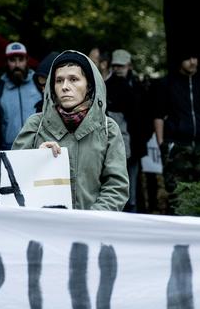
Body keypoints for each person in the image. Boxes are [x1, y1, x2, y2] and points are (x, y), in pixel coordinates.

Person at [13, 50, 129, 211]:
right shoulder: (35, 125)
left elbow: (116, 187)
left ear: (89, 85)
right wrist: (36, 158)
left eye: (74, 79)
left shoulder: (108, 129)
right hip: (43, 228)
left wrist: (90, 220)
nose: (65, 87)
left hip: (91, 230)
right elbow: (14, 178)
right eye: (59, 80)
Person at [153, 53, 200, 207]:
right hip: (178, 145)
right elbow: (158, 114)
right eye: (188, 58)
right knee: (177, 195)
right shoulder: (167, 83)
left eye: (195, 58)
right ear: (179, 61)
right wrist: (162, 143)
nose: (193, 62)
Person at [106, 49, 149, 213]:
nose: (117, 68)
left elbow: (146, 115)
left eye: (121, 65)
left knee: (133, 192)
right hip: (117, 146)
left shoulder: (138, 85)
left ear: (129, 66)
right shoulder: (108, 86)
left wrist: (143, 137)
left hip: (135, 145)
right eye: (115, 65)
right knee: (120, 190)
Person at [0, 42, 42, 149]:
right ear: (6, 62)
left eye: (21, 60)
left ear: (27, 61)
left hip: (37, 147)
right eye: (12, 60)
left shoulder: (39, 84)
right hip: (8, 149)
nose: (17, 65)